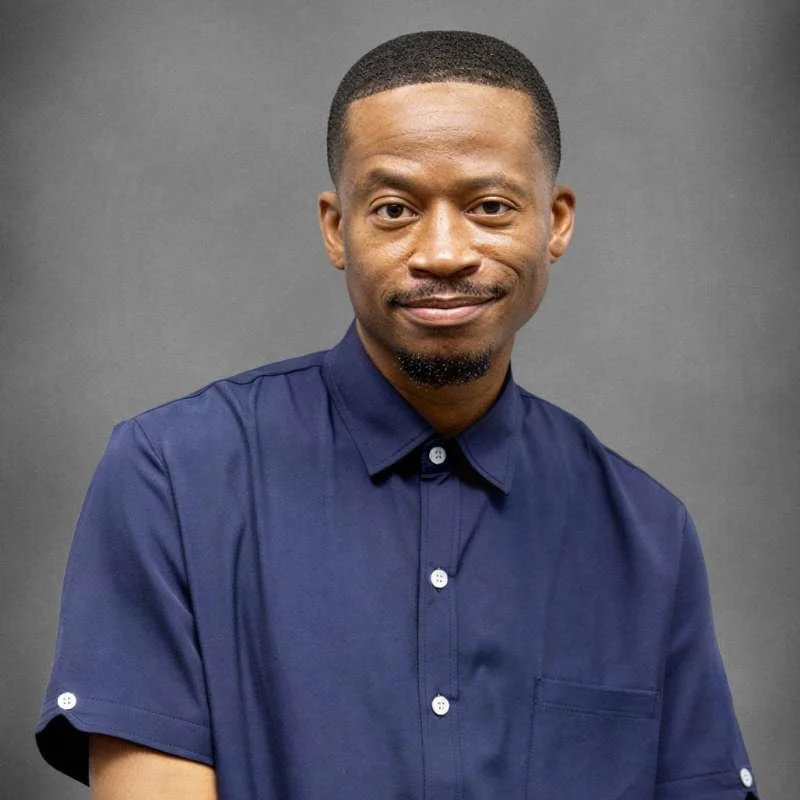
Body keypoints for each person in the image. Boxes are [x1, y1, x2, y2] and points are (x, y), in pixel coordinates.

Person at [36, 30, 758, 799]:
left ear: (557, 222)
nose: (444, 252)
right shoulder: (172, 477)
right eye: (393, 208)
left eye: (489, 206)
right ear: (334, 228)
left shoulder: (648, 536)